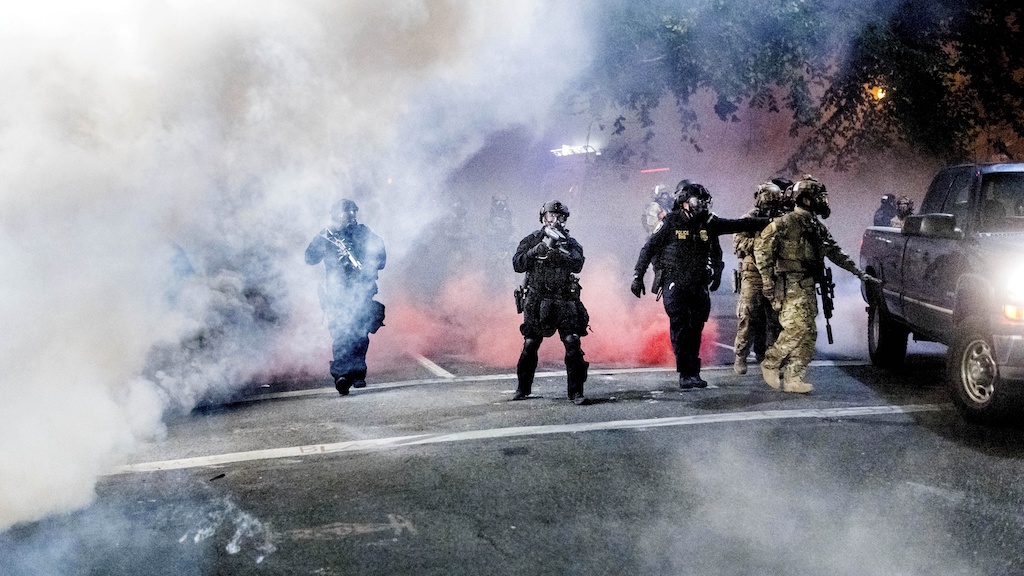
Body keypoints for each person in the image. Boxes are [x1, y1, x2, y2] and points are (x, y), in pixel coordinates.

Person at [631, 182, 768, 389]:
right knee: (681, 326)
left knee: (696, 328)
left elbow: (738, 225)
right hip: (675, 282)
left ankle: (694, 373)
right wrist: (637, 276)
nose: (702, 205)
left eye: (705, 201)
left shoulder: (708, 223)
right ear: (684, 202)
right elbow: (648, 249)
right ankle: (685, 373)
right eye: (697, 201)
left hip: (698, 284)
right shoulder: (670, 222)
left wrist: (771, 222)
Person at [755, 175, 877, 393]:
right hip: (790, 284)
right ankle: (771, 362)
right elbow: (761, 249)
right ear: (807, 199)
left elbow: (835, 252)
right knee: (795, 329)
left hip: (808, 284)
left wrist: (859, 273)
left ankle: (794, 378)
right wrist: (767, 280)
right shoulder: (784, 223)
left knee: (809, 333)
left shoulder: (816, 226)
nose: (823, 201)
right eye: (819, 197)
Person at [305, 198, 387, 396]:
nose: (350, 215)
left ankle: (358, 373)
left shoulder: (364, 233)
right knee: (342, 332)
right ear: (335, 215)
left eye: (353, 211)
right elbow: (309, 258)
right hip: (337, 293)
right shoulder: (327, 236)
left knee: (359, 333)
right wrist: (321, 241)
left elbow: (381, 258)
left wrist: (368, 264)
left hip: (362, 290)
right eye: (345, 212)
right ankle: (342, 374)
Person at [512, 200, 590, 404]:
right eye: (551, 216)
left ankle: (576, 392)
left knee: (572, 342)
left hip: (564, 299)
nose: (555, 220)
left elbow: (578, 264)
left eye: (560, 217)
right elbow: (517, 264)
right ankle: (522, 388)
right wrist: (535, 251)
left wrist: (558, 253)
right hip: (537, 300)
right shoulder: (532, 239)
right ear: (543, 218)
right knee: (530, 344)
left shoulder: (571, 243)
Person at [731, 180, 788, 374]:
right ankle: (740, 355)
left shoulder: (782, 219)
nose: (770, 208)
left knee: (776, 319)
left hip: (775, 273)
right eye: (767, 204)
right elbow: (738, 244)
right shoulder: (749, 219)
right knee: (747, 315)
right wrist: (760, 243)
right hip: (753, 273)